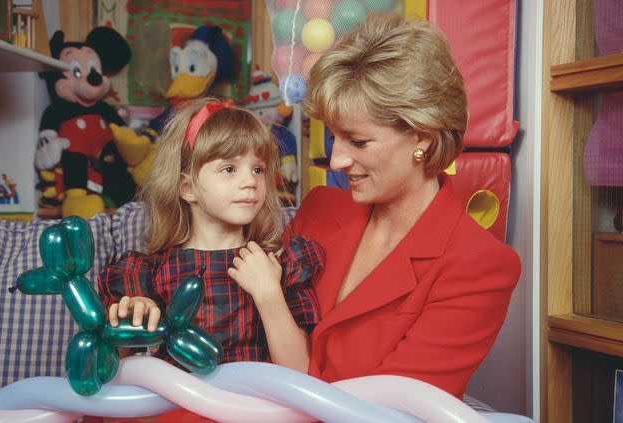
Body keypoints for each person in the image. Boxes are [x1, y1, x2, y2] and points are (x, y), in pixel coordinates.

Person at [284, 12, 521, 400]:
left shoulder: (480, 266)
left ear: (423, 138)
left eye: (358, 142)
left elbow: (396, 408)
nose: (338, 160)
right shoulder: (319, 208)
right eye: (333, 138)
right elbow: (245, 331)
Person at [98, 98, 323, 375]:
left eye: (258, 169)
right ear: (188, 188)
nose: (250, 181)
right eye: (229, 169)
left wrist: (269, 295)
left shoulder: (279, 264)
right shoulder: (149, 274)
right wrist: (132, 325)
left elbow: (300, 372)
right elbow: (108, 373)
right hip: (176, 411)